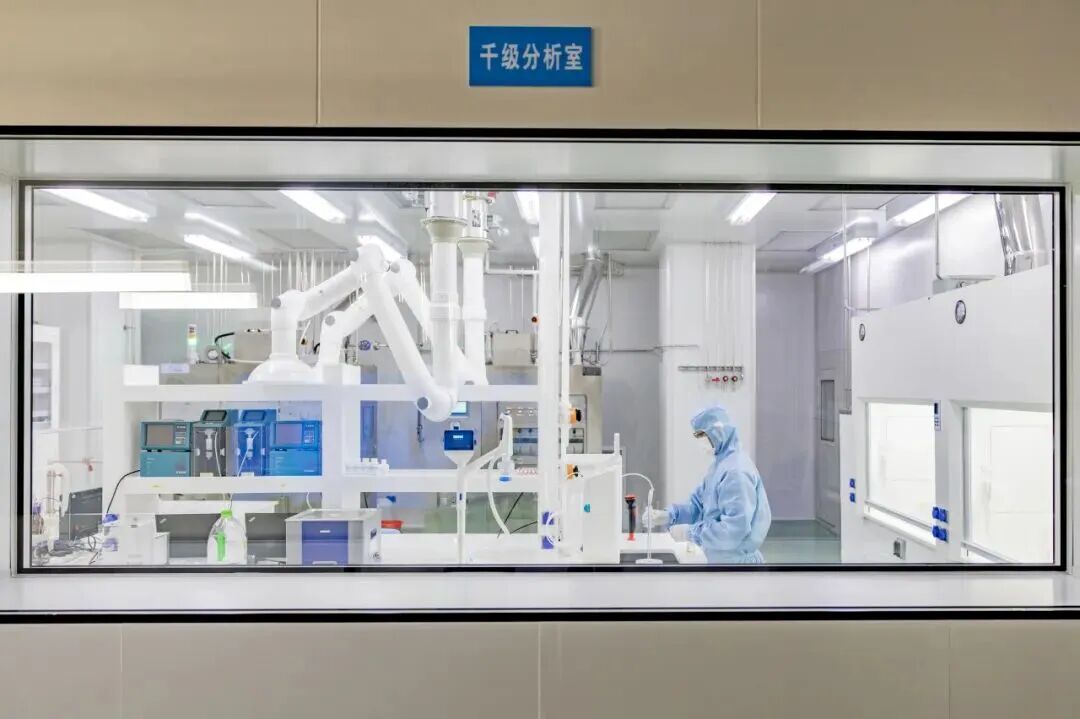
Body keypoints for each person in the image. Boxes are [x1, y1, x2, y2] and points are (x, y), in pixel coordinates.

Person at [644, 406, 772, 564]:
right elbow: (698, 507)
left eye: (701, 434)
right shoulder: (719, 467)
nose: (699, 440)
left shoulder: (736, 472)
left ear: (718, 432)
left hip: (737, 567)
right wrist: (669, 515)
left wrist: (690, 533)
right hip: (718, 561)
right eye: (696, 435)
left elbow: (733, 531)